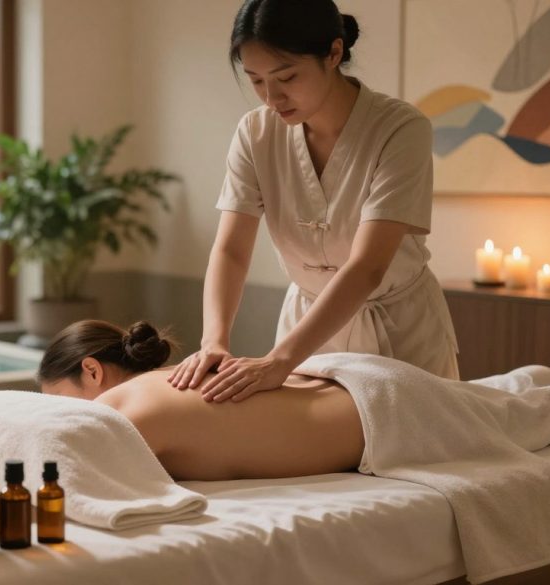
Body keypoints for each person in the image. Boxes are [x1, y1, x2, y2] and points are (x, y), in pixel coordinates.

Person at [169, 0, 459, 404]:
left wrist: (279, 360)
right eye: (256, 81)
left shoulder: (400, 129)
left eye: (287, 77)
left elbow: (368, 266)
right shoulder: (256, 134)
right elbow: (232, 249)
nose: (272, 97)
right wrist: (213, 341)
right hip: (306, 334)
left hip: (400, 333)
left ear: (334, 53)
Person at [39, 320, 364, 481]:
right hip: (356, 382)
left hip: (374, 412)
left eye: (60, 401)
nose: (63, 413)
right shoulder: (168, 377)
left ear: (92, 371)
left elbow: (59, 473)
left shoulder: (125, 408)